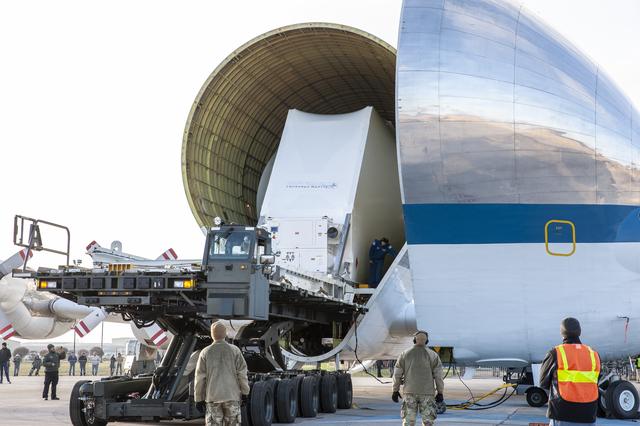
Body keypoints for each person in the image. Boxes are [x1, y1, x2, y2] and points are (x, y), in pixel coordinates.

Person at [540, 317, 600, 425]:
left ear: (562, 333)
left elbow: (543, 382)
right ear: (579, 332)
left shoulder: (555, 353)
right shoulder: (593, 354)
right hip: (588, 414)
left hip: (562, 413)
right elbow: (596, 381)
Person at [195, 321, 250, 426]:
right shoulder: (235, 350)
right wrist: (245, 393)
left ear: (212, 334)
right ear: (225, 334)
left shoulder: (205, 352)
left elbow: (200, 378)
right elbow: (242, 374)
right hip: (232, 397)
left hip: (212, 398)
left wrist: (198, 399)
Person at [392, 330, 444, 426]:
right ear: (427, 341)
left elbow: (397, 374)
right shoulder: (433, 355)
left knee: (408, 422)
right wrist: (440, 392)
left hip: (409, 393)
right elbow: (438, 376)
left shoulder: (405, 354)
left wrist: (395, 390)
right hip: (427, 393)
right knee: (428, 422)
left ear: (414, 340)